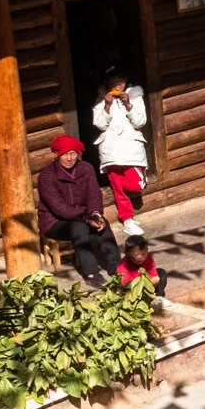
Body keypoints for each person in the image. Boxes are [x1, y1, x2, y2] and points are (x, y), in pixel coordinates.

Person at [35, 134, 121, 285]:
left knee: (103, 223)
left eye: (72, 153)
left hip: (82, 215)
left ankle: (116, 267)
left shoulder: (86, 168)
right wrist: (87, 218)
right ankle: (91, 273)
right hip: (55, 222)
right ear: (57, 154)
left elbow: (94, 194)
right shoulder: (47, 175)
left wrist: (95, 213)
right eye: (65, 154)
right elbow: (60, 209)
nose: (69, 158)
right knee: (79, 226)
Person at [92, 73, 150, 237]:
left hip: (131, 149)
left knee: (136, 185)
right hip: (111, 151)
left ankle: (128, 212)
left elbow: (140, 122)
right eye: (115, 82)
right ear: (109, 83)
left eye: (122, 82)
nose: (119, 86)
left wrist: (128, 105)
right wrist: (107, 106)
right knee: (118, 189)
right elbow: (100, 125)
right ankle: (127, 220)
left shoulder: (135, 97)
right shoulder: (100, 99)